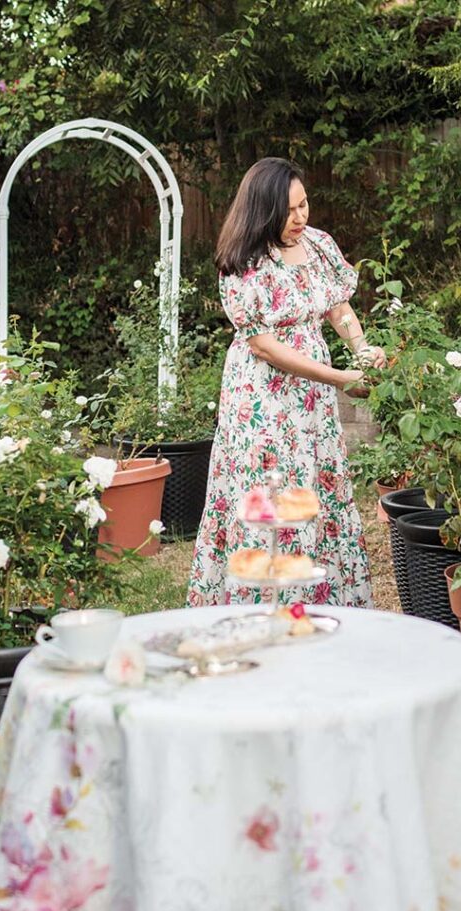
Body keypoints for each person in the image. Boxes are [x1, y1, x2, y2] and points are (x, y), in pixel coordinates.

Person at [186, 157, 385, 608]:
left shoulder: (318, 245)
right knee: (272, 491)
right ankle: (263, 607)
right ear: (263, 211)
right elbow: (264, 346)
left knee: (314, 486)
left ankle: (316, 605)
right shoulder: (242, 262)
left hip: (311, 400)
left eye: (304, 205)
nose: (301, 218)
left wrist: (362, 350)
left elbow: (338, 308)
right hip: (261, 398)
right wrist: (338, 377)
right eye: (289, 211)